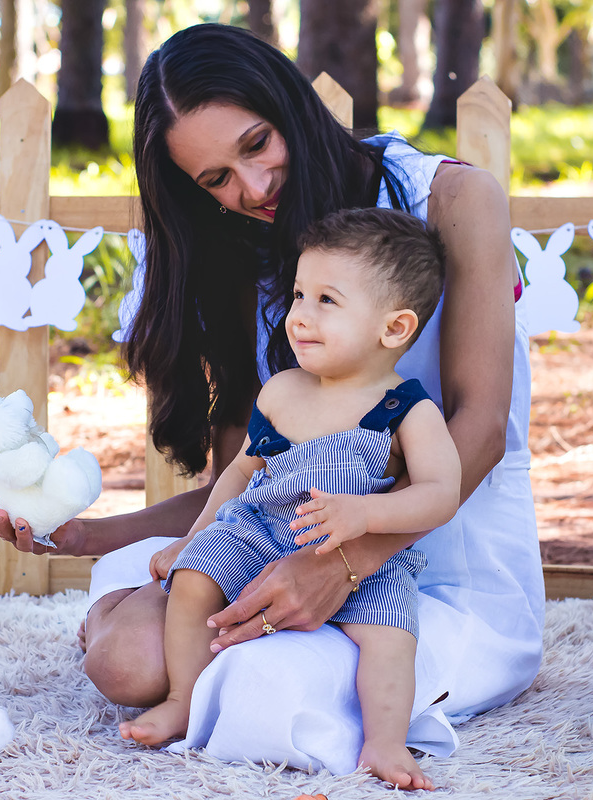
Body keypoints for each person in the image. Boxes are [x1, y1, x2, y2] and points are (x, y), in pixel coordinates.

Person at [0, 22, 545, 778]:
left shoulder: (450, 199)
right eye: (215, 180)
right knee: (129, 660)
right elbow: (250, 481)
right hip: (280, 553)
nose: (250, 190)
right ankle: (123, 606)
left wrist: (342, 566)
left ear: (288, 103)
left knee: (257, 693)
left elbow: (479, 429)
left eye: (255, 145)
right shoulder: (241, 250)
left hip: (432, 574)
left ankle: (143, 617)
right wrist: (92, 535)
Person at [119, 208, 459, 790]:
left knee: (390, 637)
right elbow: (234, 478)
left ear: (394, 328)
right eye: (299, 295)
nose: (300, 316)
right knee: (194, 578)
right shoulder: (281, 390)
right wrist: (192, 539)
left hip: (355, 552)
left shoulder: (406, 407)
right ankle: (183, 700)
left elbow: (441, 494)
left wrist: (366, 514)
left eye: (327, 301)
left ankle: (384, 742)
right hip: (262, 531)